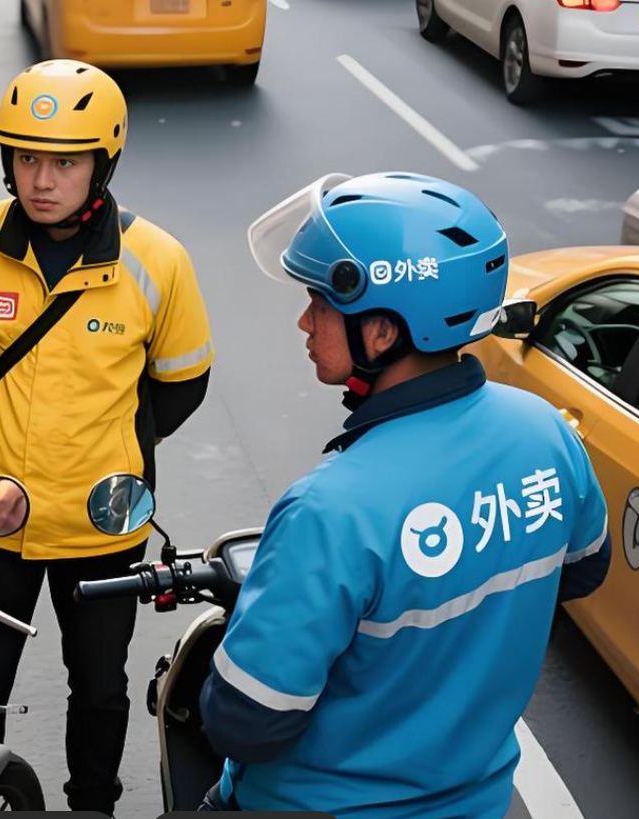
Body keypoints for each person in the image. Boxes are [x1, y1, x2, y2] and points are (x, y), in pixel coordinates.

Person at [197, 173, 611, 817]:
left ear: (383, 332)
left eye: (319, 302)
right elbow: (583, 571)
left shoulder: (331, 510)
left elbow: (245, 723)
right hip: (477, 799)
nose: (304, 321)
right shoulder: (546, 432)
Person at [0, 60, 214, 815]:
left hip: (102, 521)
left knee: (101, 685)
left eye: (65, 162)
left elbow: (181, 385)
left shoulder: (158, 261)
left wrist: (110, 443)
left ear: (102, 164)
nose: (41, 180)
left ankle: (92, 806)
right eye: (25, 158)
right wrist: (4, 437)